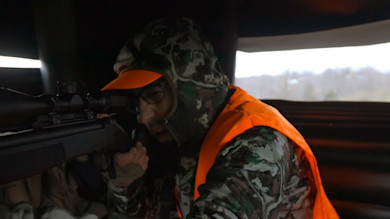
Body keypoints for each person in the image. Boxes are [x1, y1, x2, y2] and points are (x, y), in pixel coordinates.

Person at [100, 17, 339, 218]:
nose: (143, 116)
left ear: (189, 87)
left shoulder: (259, 142)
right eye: (135, 101)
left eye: (154, 94)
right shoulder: (187, 139)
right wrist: (123, 183)